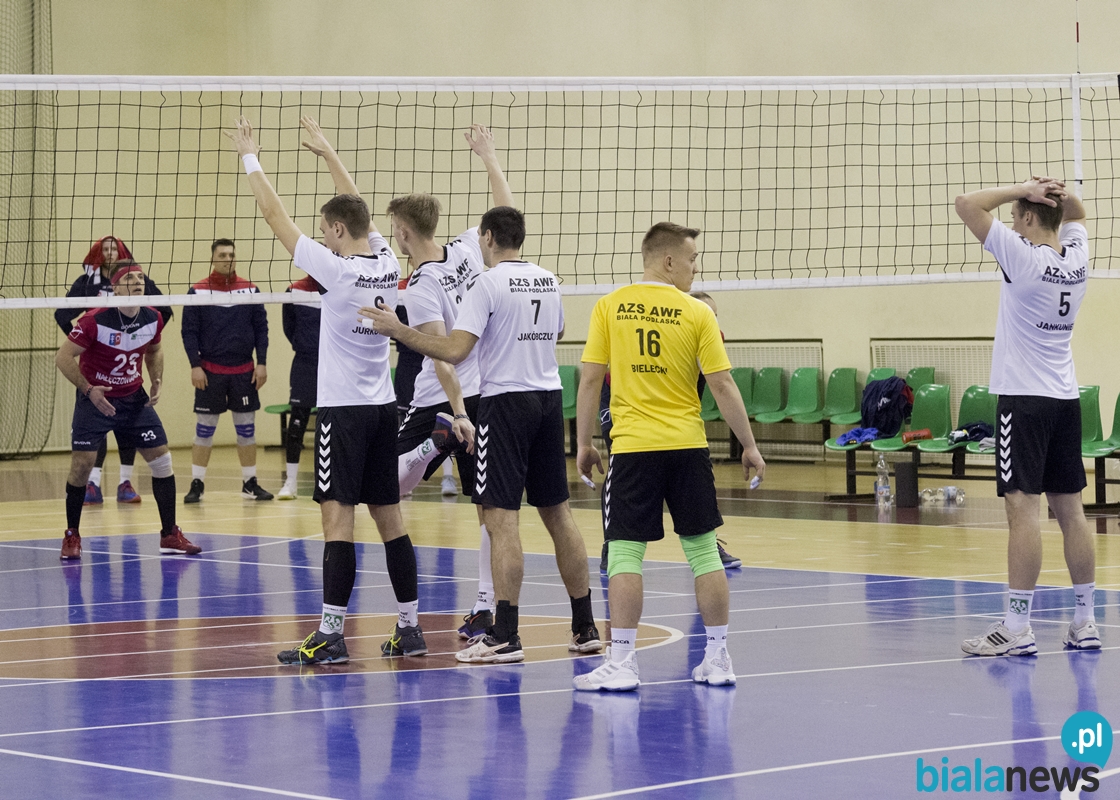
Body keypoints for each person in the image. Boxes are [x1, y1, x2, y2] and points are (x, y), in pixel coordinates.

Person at [361, 205, 602, 664]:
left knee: (501, 518)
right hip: (549, 399)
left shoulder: (486, 284)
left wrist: (399, 330)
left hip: (505, 406)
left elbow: (454, 350)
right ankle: (585, 626)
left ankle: (504, 634)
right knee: (558, 514)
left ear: (488, 237)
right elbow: (558, 332)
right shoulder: (547, 279)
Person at [228, 115, 427, 664]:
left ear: (337, 231)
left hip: (344, 413)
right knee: (390, 520)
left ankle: (332, 634)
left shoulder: (337, 270)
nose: (319, 237)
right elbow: (357, 206)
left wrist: (249, 156)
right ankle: (409, 628)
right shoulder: (386, 259)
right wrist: (329, 154)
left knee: (337, 520)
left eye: (324, 229)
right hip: (383, 409)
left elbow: (274, 216)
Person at [572, 222, 766, 692]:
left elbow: (591, 380)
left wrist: (583, 443)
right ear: (668, 260)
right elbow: (722, 384)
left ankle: (623, 662)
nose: (695, 268)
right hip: (688, 447)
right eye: (692, 259)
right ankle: (717, 658)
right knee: (703, 552)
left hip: (634, 449)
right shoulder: (697, 312)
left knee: (625, 553)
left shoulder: (610, 306)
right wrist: (749, 444)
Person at [955, 176, 1098, 656]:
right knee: (1072, 511)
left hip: (1024, 400)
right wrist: (1054, 195)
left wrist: (1023, 188)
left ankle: (1017, 627)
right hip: (1065, 399)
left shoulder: (1023, 256)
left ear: (1031, 217)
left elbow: (967, 204)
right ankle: (1085, 622)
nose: (1012, 225)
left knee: (1022, 510)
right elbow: (1076, 214)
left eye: (1017, 217)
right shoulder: (1076, 257)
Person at [383, 123, 513, 639]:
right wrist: (489, 156)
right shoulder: (465, 248)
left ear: (403, 233)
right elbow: (505, 214)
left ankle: (426, 449)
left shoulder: (419, 285)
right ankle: (484, 606)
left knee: (388, 489)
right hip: (485, 395)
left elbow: (441, 356)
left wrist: (455, 415)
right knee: (487, 508)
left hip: (443, 401)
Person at [55, 263, 200, 559]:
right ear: (116, 288)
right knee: (81, 465)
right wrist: (88, 389)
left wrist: (156, 379)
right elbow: (63, 357)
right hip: (96, 400)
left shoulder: (153, 317)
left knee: (162, 461)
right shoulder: (94, 320)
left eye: (140, 276)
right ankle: (72, 535)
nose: (137, 281)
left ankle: (169, 534)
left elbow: (155, 350)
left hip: (134, 398)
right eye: (129, 277)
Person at [594, 290, 742, 572]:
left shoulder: (710, 335)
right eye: (708, 314)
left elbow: (705, 387)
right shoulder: (670, 328)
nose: (712, 320)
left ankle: (707, 543)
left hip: (675, 426)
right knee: (619, 463)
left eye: (715, 315)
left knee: (688, 472)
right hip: (617, 398)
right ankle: (612, 545)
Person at [56, 237, 174, 505]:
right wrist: (83, 340)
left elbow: (163, 315)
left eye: (114, 249)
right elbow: (61, 319)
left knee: (137, 439)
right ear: (115, 287)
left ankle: (126, 483)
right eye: (105, 249)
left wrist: (142, 339)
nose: (110, 253)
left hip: (130, 385)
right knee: (87, 452)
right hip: (97, 376)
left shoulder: (145, 297)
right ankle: (92, 486)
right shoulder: (88, 286)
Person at [180, 238, 273, 503]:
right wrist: (195, 366)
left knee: (246, 430)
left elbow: (261, 329)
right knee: (204, 430)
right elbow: (189, 332)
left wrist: (262, 362)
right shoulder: (197, 291)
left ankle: (249, 483)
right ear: (213, 259)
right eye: (222, 255)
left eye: (231, 255)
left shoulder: (250, 289)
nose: (227, 259)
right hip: (210, 372)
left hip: (244, 372)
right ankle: (197, 483)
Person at [277, 274, 322, 500]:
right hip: (305, 364)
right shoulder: (294, 290)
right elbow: (289, 327)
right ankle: (291, 482)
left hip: (335, 364)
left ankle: (345, 482)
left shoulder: (339, 284)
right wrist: (304, 345)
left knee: (342, 425)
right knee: (296, 424)